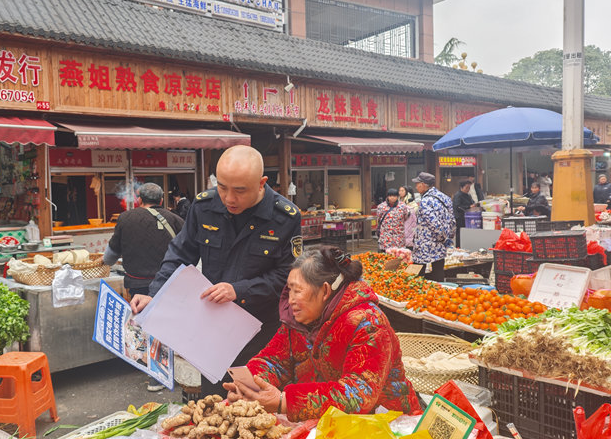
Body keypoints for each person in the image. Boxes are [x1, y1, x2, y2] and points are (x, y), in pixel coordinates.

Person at [131, 145, 302, 396]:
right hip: (213, 329)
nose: (229, 198)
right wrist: (155, 295)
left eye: (240, 190)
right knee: (214, 400)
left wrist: (239, 290)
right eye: (222, 187)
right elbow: (179, 255)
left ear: (261, 183)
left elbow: (288, 278)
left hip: (262, 331)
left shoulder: (284, 217)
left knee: (257, 403)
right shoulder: (205, 206)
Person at [222, 247, 421, 421]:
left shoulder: (368, 323)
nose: (290, 300)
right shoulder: (299, 319)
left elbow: (358, 393)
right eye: (289, 290)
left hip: (384, 423)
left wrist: (285, 401)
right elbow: (274, 360)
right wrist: (249, 386)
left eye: (297, 291)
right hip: (325, 423)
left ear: (325, 291)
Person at [104, 182, 184, 392]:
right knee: (167, 325)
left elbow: (109, 257)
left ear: (139, 199)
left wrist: (107, 261)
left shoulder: (125, 218)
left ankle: (154, 373)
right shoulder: (175, 219)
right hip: (168, 283)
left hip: (137, 283)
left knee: (146, 325)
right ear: (161, 200)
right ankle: (167, 372)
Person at [412, 172, 455, 282]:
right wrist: (447, 237)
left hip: (426, 243)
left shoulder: (425, 201)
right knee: (438, 270)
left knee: (419, 273)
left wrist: (441, 236)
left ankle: (419, 290)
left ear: (423, 184)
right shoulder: (445, 197)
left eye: (417, 184)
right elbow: (452, 220)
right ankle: (440, 290)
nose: (416, 187)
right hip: (441, 243)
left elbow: (433, 223)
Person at [452, 180, 477, 248]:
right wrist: (469, 207)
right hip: (460, 217)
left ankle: (466, 245)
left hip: (468, 216)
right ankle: (458, 247)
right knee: (460, 232)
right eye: (466, 188)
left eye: (469, 188)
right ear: (461, 187)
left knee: (466, 232)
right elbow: (458, 206)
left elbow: (472, 202)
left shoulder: (468, 195)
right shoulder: (458, 195)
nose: (468, 189)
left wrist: (474, 204)